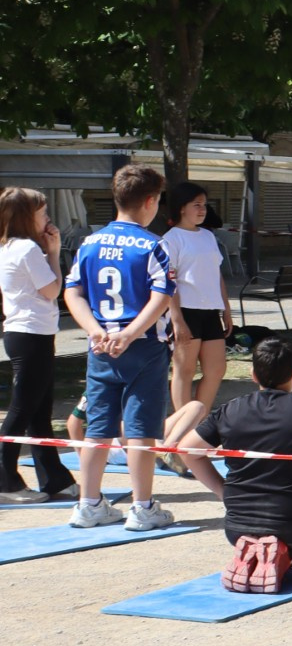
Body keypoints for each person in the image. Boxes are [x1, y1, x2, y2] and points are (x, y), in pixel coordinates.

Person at [178, 337, 292, 593]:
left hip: (238, 525)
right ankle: (287, 557)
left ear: (253, 374)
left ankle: (257, 552)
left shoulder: (230, 409)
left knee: (275, 537)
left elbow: (187, 450)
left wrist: (224, 492)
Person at [63, 163, 176, 530]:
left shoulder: (89, 243)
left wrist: (96, 331)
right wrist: (129, 334)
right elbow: (161, 296)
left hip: (100, 348)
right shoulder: (152, 245)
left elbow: (72, 292)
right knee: (141, 428)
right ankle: (142, 507)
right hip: (142, 346)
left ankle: (88, 503)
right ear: (150, 201)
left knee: (98, 428)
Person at [0, 187, 77, 502]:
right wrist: (55, 254)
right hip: (30, 334)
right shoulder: (27, 250)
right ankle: (5, 481)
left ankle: (54, 478)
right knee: (24, 408)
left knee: (38, 410)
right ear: (25, 217)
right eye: (42, 213)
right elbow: (52, 290)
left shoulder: (10, 247)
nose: (48, 219)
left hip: (29, 333)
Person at [162, 182, 230, 432]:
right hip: (186, 311)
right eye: (196, 205)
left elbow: (217, 274)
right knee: (185, 369)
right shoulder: (171, 239)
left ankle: (199, 424)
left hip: (211, 310)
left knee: (216, 369)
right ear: (181, 208)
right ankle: (182, 425)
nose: (202, 210)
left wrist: (226, 308)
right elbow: (168, 282)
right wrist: (176, 318)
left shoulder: (208, 236)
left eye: (204, 205)